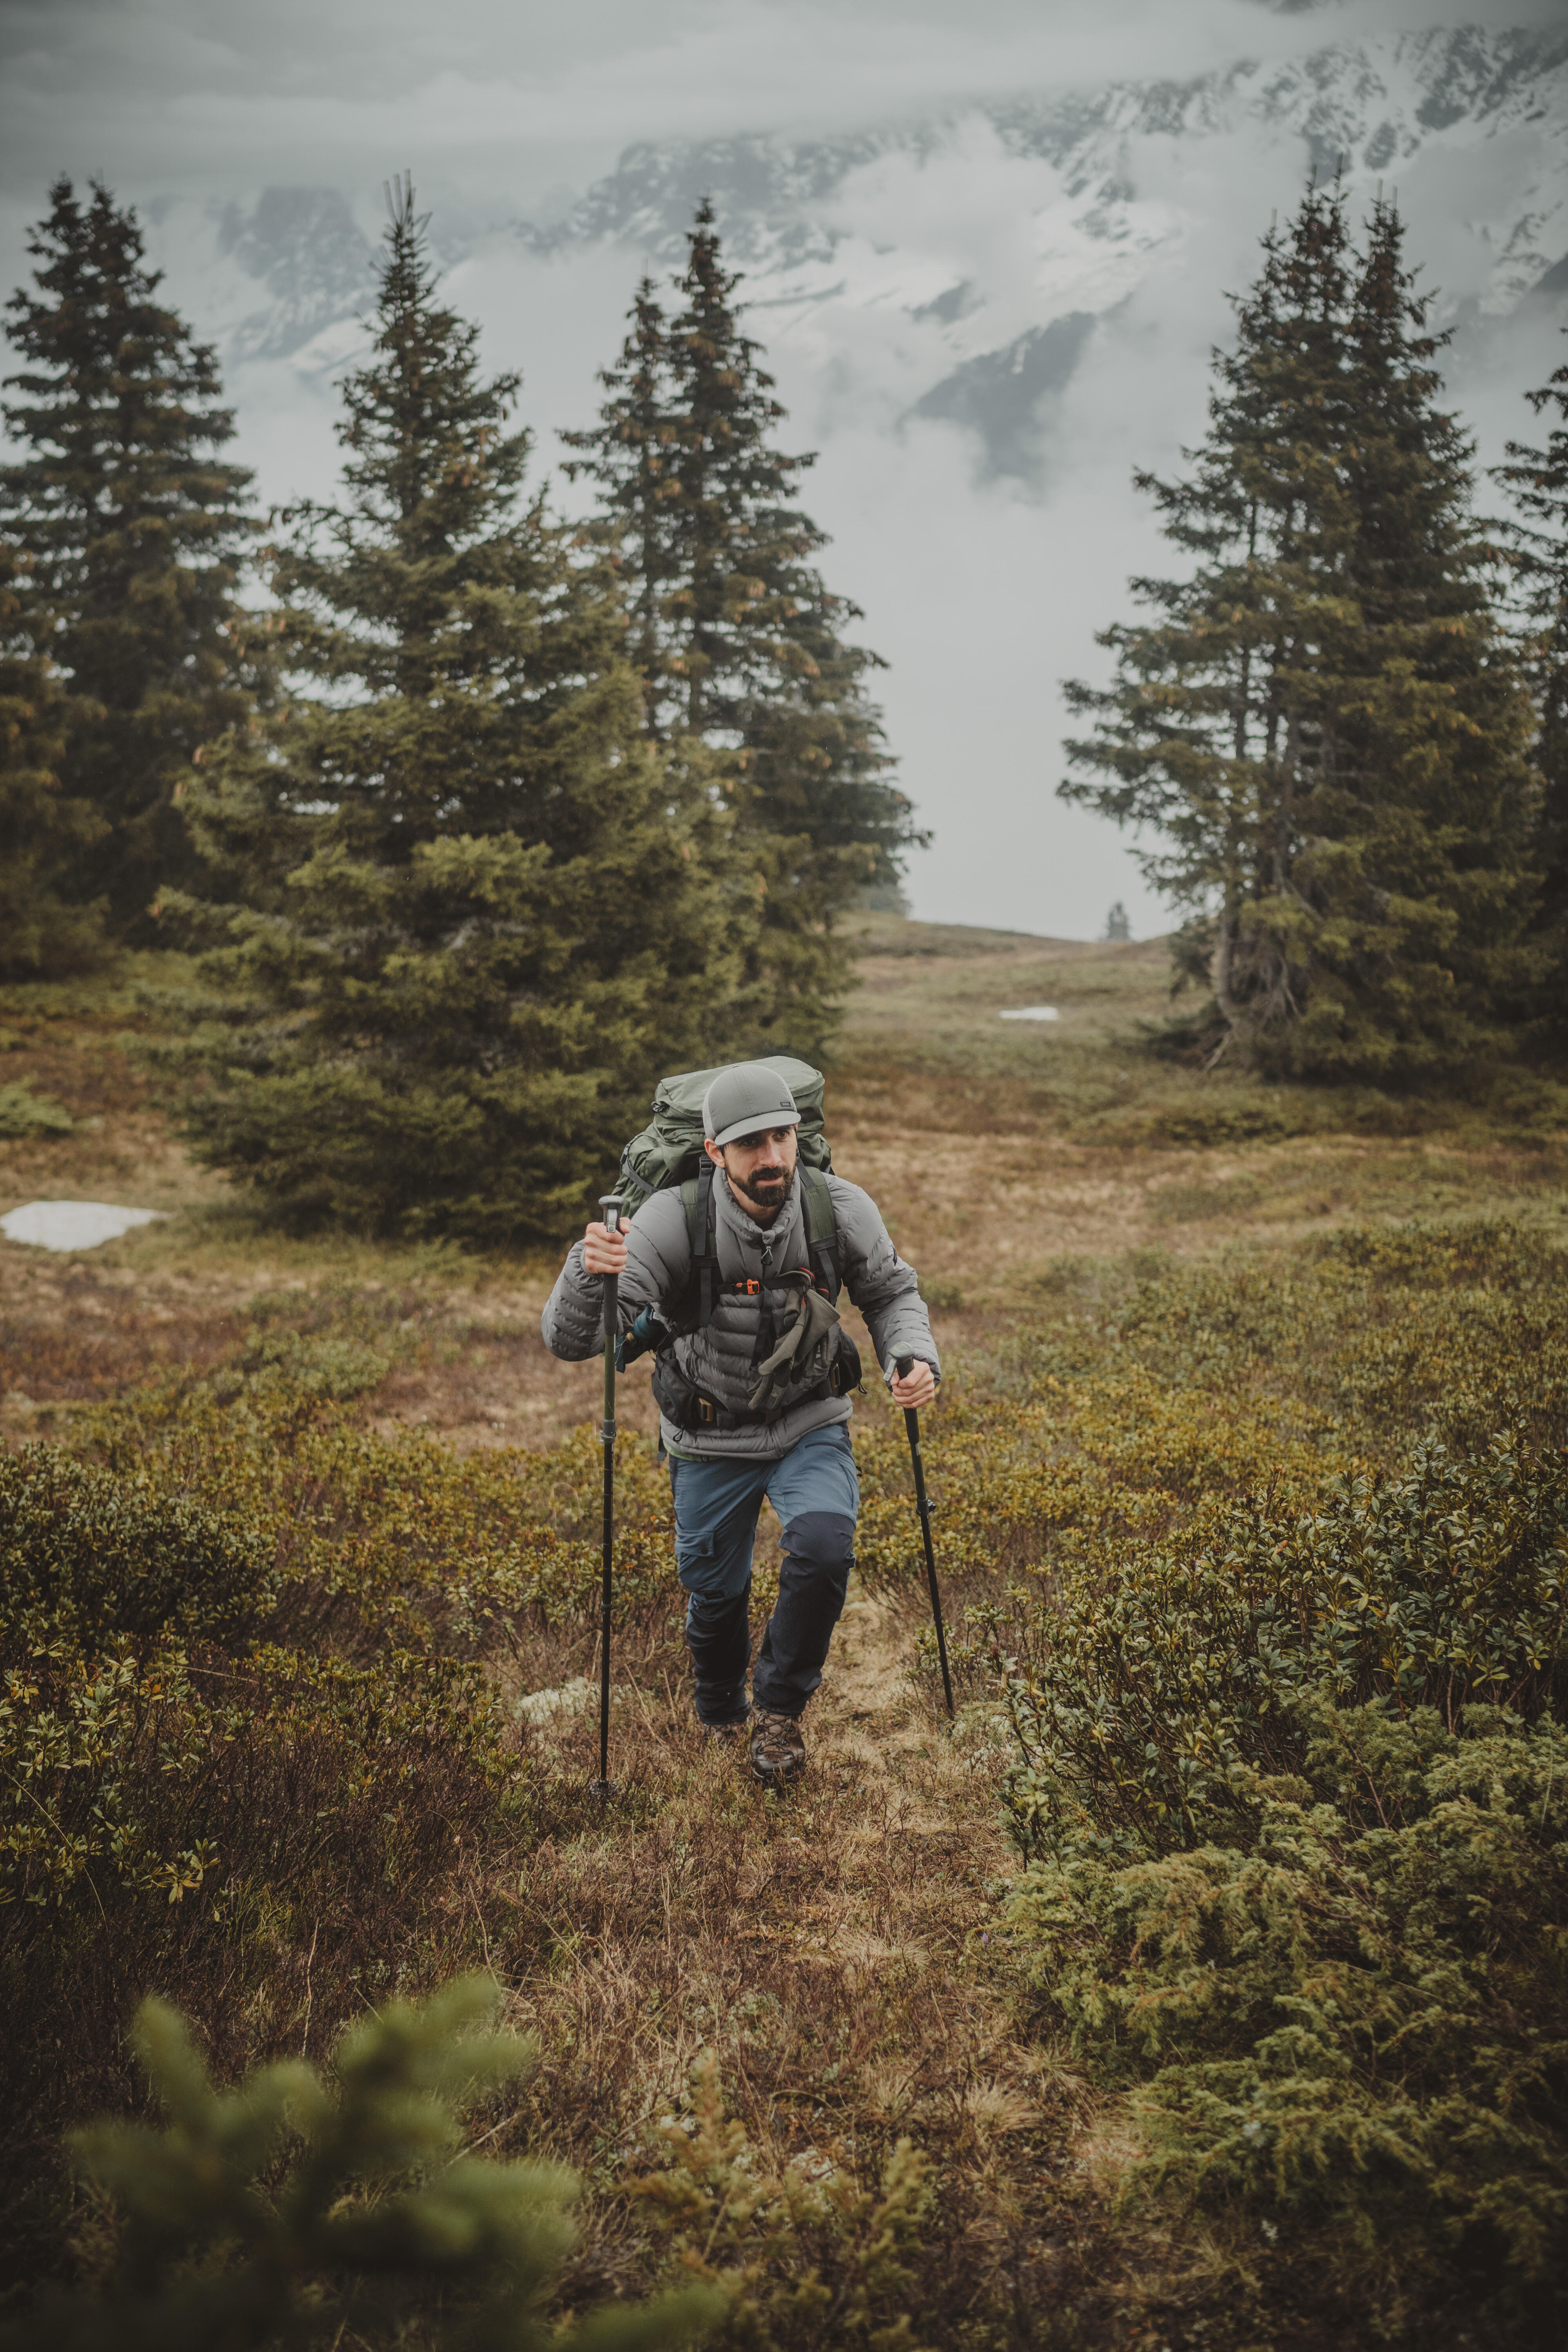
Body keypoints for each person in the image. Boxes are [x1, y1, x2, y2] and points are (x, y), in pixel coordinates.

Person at [541, 1061, 939, 1786]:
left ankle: (780, 1712)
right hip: (707, 1432)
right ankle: (720, 1698)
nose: (773, 1157)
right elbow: (577, 1340)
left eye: (784, 1138)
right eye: (752, 1144)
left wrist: (911, 1354)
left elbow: (890, 1292)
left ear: (799, 1137)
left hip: (809, 1418)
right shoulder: (672, 1218)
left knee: (823, 1547)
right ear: (716, 1151)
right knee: (715, 1591)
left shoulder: (837, 1207)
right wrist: (586, 1268)